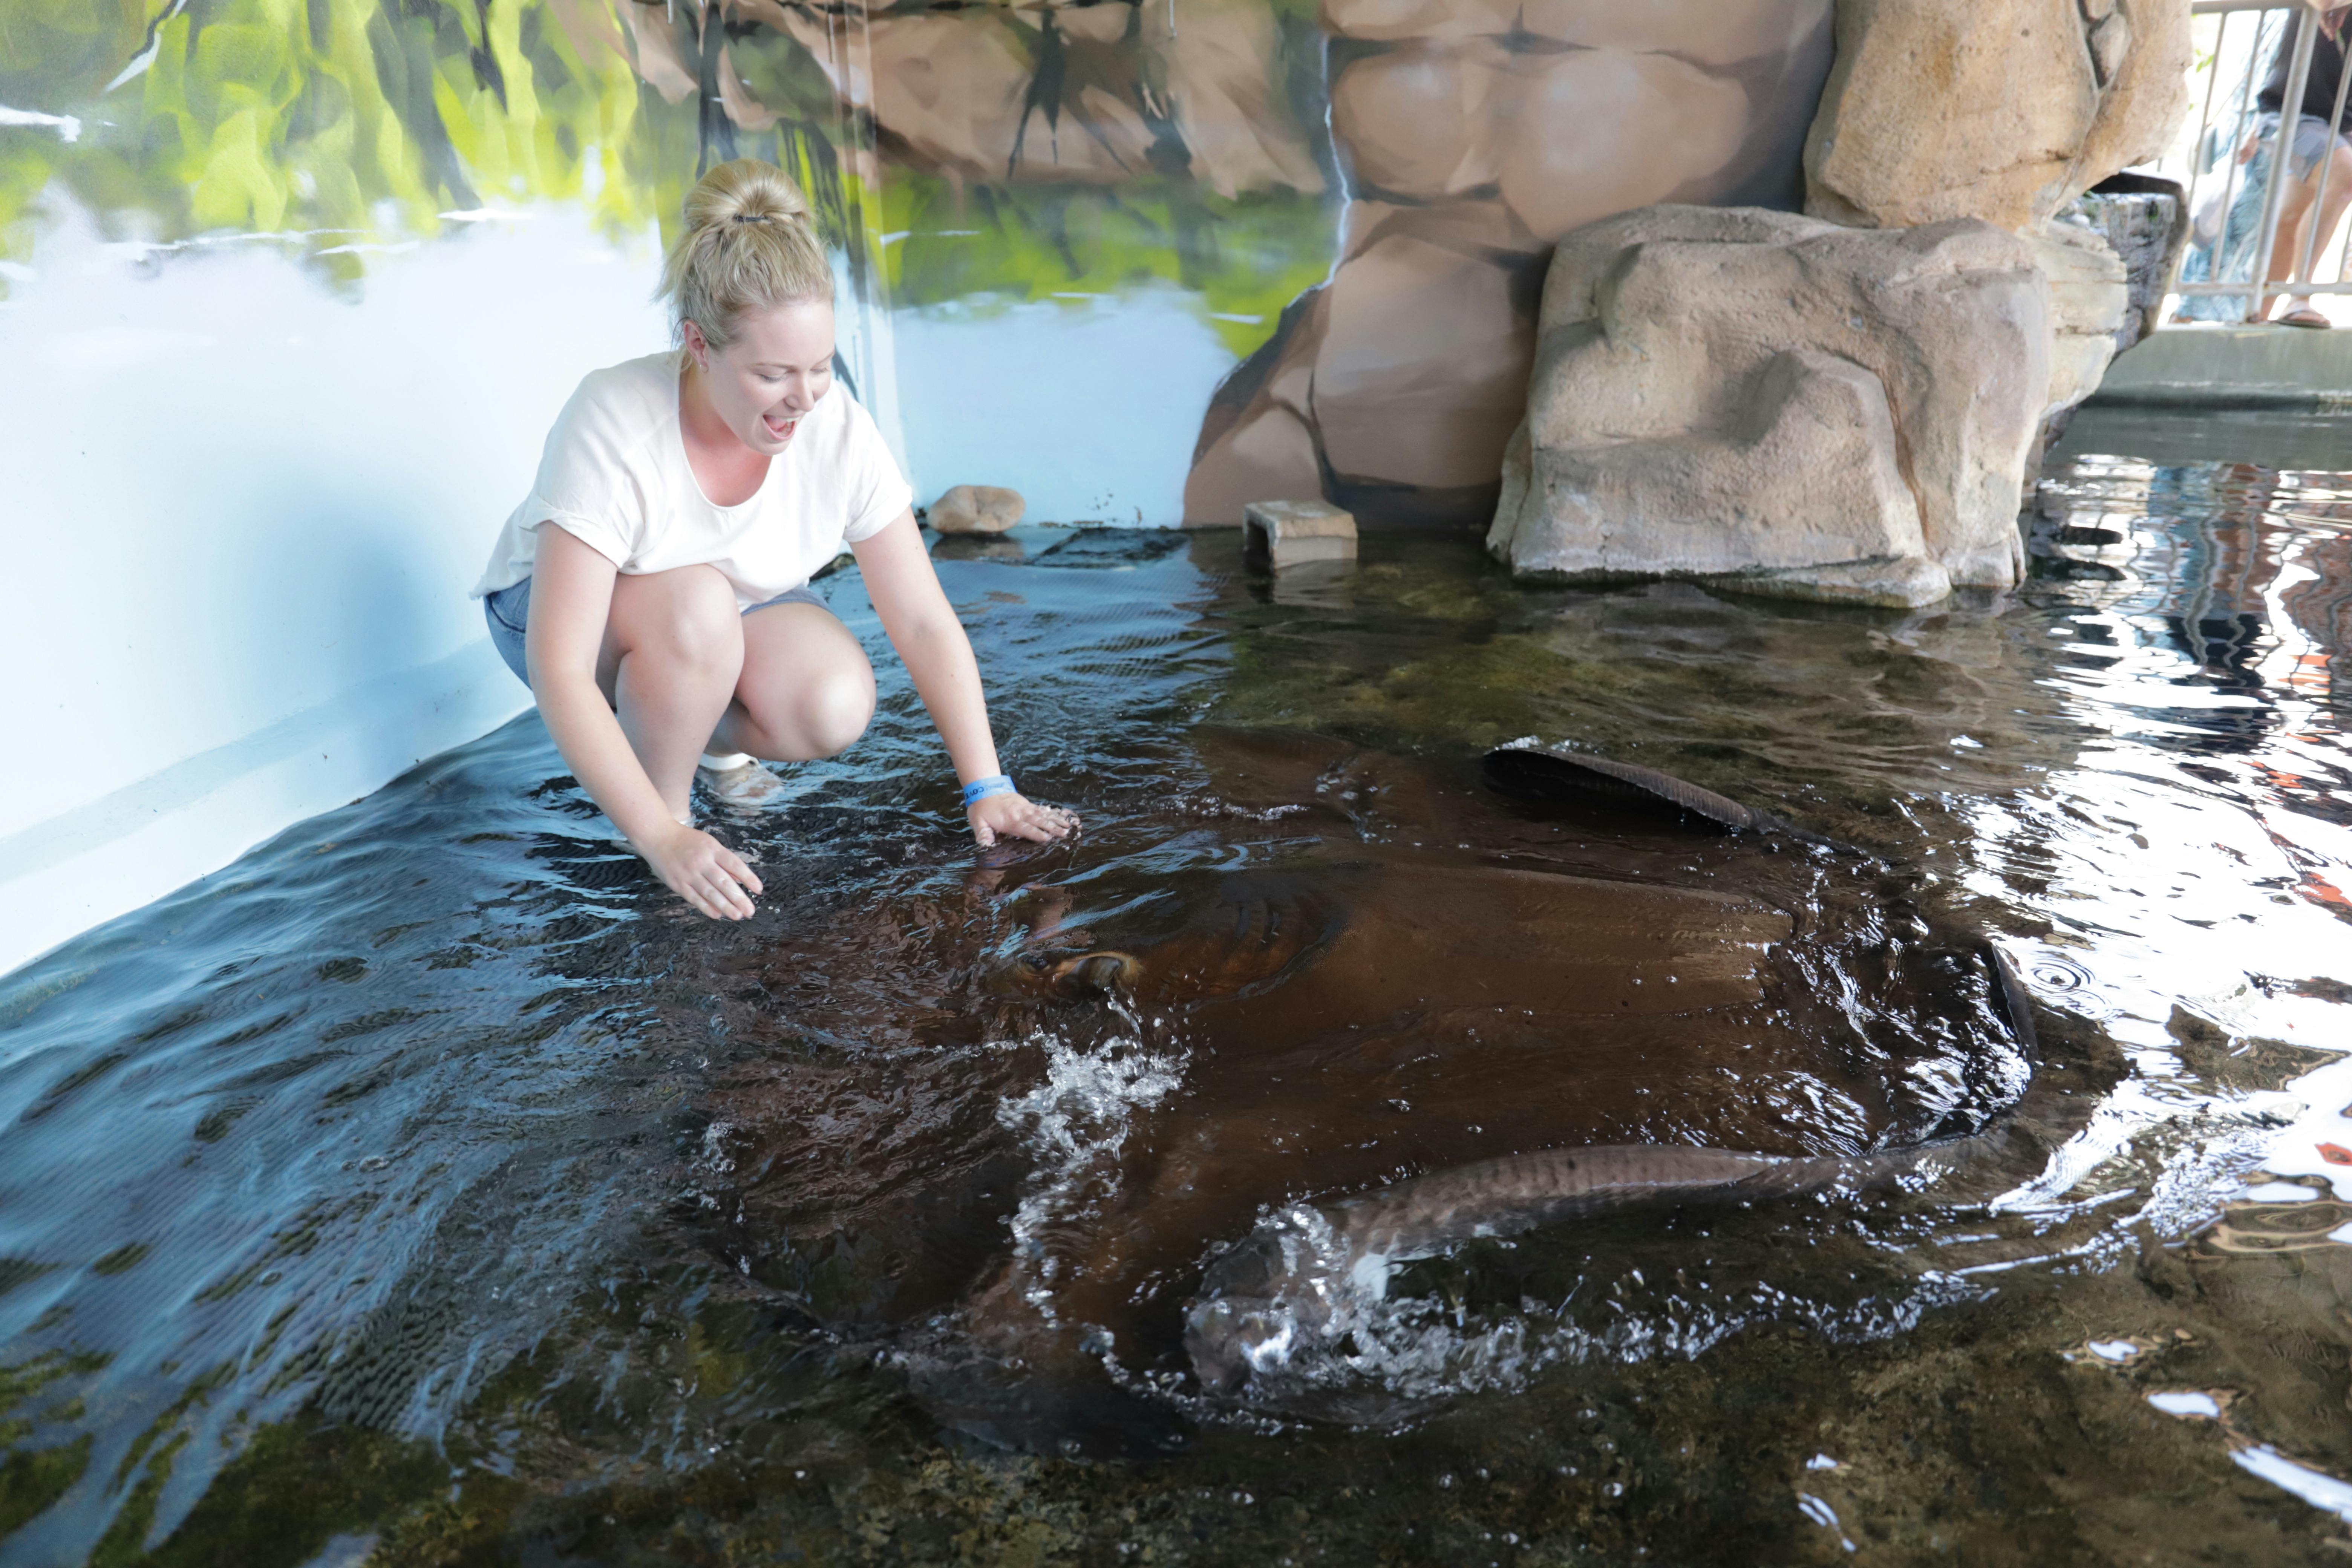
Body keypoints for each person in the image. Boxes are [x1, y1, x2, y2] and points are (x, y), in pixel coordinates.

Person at [470, 159, 1076, 921]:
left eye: (821, 366)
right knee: (695, 607)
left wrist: (988, 786)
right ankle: (664, 819)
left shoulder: (836, 426)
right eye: (772, 373)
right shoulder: (614, 417)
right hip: (555, 620)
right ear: (698, 343)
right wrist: (661, 835)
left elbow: (921, 619)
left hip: (724, 614)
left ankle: (705, 738)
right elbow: (557, 665)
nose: (804, 397)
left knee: (833, 700)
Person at [2180, 5, 2352, 326]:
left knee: (2290, 218)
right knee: (2343, 177)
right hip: (2289, 110)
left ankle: (2257, 316)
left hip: (2338, 122)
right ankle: (2299, 297)